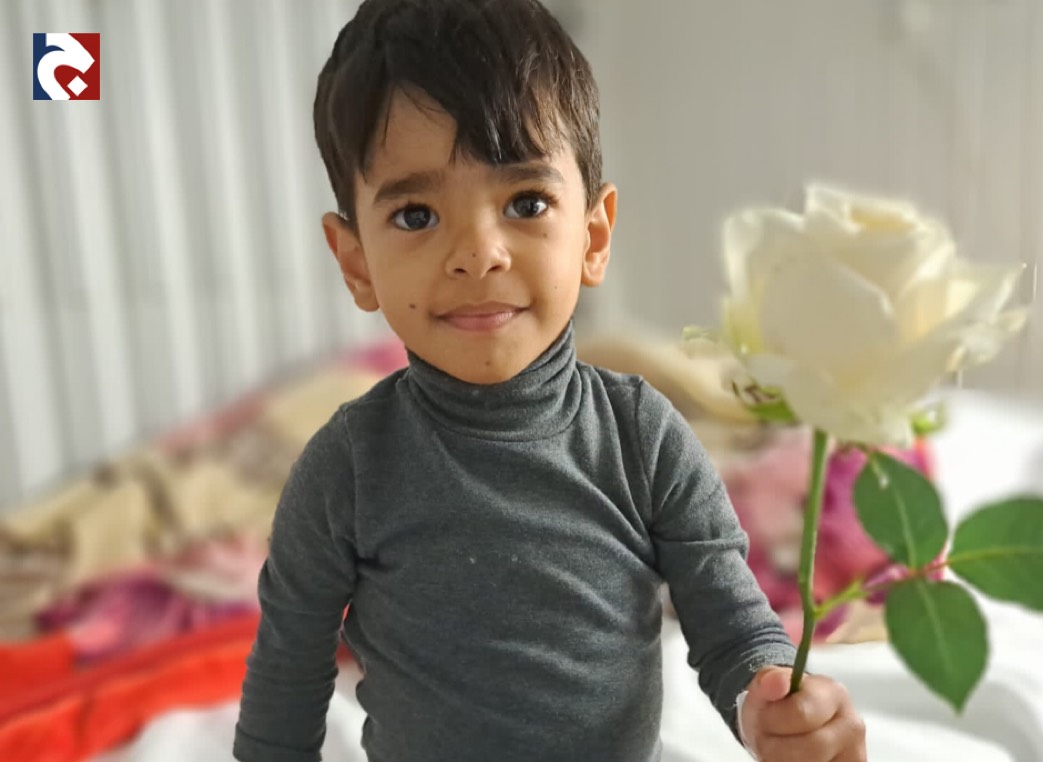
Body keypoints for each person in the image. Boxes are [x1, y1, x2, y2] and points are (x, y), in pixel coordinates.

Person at [234, 1, 867, 760]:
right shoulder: (349, 467)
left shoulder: (642, 437)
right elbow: (287, 677)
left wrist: (775, 706)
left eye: (525, 203)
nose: (480, 253)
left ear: (593, 236)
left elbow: (733, 631)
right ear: (356, 262)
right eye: (416, 215)